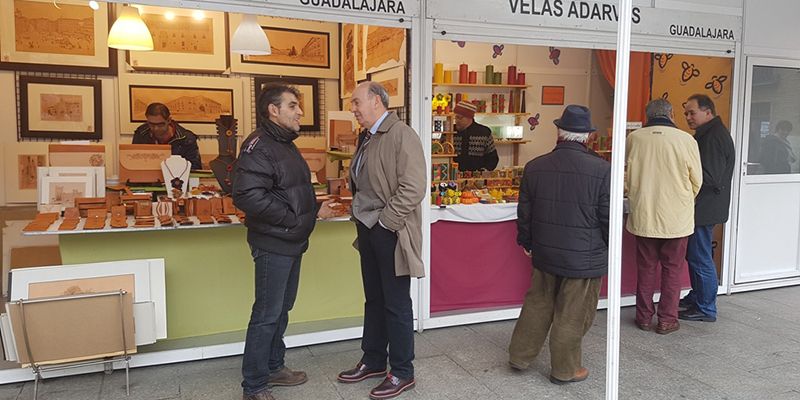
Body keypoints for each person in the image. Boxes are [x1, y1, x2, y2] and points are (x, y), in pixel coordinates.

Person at [233, 83, 334, 400]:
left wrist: (315, 209)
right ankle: (254, 385)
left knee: (281, 309)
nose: (300, 111)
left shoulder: (285, 143)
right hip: (274, 242)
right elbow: (247, 196)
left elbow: (288, 190)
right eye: (292, 105)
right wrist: (294, 220)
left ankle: (274, 367)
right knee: (266, 314)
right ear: (272, 110)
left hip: (290, 241)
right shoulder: (259, 145)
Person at [336, 82, 426, 400]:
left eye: (357, 102)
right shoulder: (368, 136)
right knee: (374, 298)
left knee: (396, 303)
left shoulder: (401, 134)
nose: (353, 108)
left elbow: (414, 187)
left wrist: (387, 222)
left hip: (389, 230)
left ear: (376, 101)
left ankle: (402, 371)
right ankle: (373, 360)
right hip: (368, 227)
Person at [508, 104, 610, 384]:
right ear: (588, 136)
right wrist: (608, 248)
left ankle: (520, 355)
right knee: (573, 313)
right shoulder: (602, 170)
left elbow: (525, 211)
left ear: (558, 132)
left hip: (545, 251)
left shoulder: (535, 167)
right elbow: (607, 216)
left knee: (537, 303)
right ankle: (566, 369)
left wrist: (526, 241)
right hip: (584, 256)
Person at [626, 99, 703, 335]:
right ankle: (668, 320)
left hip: (644, 213)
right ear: (671, 114)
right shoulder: (686, 140)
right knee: (672, 269)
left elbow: (627, 176)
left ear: (647, 115)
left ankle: (643, 317)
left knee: (646, 267)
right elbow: (697, 181)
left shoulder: (634, 138)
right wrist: (681, 198)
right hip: (676, 217)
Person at [679, 94, 736, 323]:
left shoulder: (712, 137)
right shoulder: (709, 134)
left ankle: (706, 307)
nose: (688, 117)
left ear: (708, 112)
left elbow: (710, 177)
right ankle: (698, 296)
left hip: (705, 207)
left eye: (692, 112)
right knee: (696, 255)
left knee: (700, 257)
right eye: (686, 113)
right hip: (706, 207)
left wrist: (682, 177)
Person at [133, 103, 202, 170]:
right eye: (151, 124)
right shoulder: (141, 134)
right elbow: (133, 162)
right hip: (147, 178)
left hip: (177, 179)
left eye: (160, 125)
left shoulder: (186, 138)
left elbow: (195, 168)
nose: (155, 128)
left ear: (169, 120)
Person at [452, 101, 499, 171]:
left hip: (476, 179)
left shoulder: (484, 132)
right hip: (452, 178)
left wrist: (482, 172)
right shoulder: (450, 132)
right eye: (455, 117)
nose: (456, 120)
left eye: (460, 118)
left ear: (469, 117)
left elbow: (492, 159)